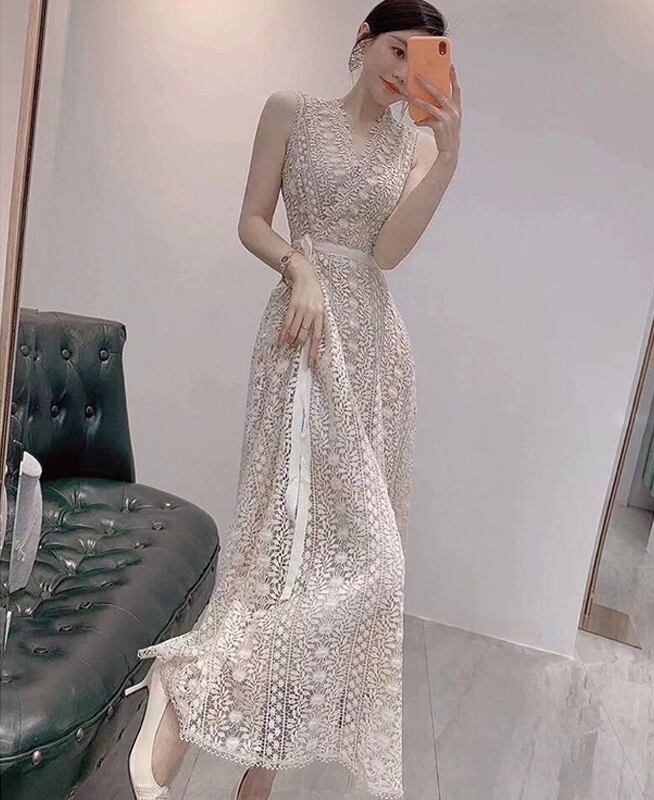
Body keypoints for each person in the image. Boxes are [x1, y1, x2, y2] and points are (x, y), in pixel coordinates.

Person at [125, 2, 462, 799]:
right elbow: (252, 220)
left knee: (347, 567)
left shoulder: (414, 146)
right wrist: (298, 266)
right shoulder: (292, 112)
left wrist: (447, 159)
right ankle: (187, 679)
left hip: (374, 354)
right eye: (395, 49)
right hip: (303, 338)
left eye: (422, 60)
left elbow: (387, 252)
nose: (403, 71)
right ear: (363, 41)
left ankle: (259, 777)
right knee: (292, 548)